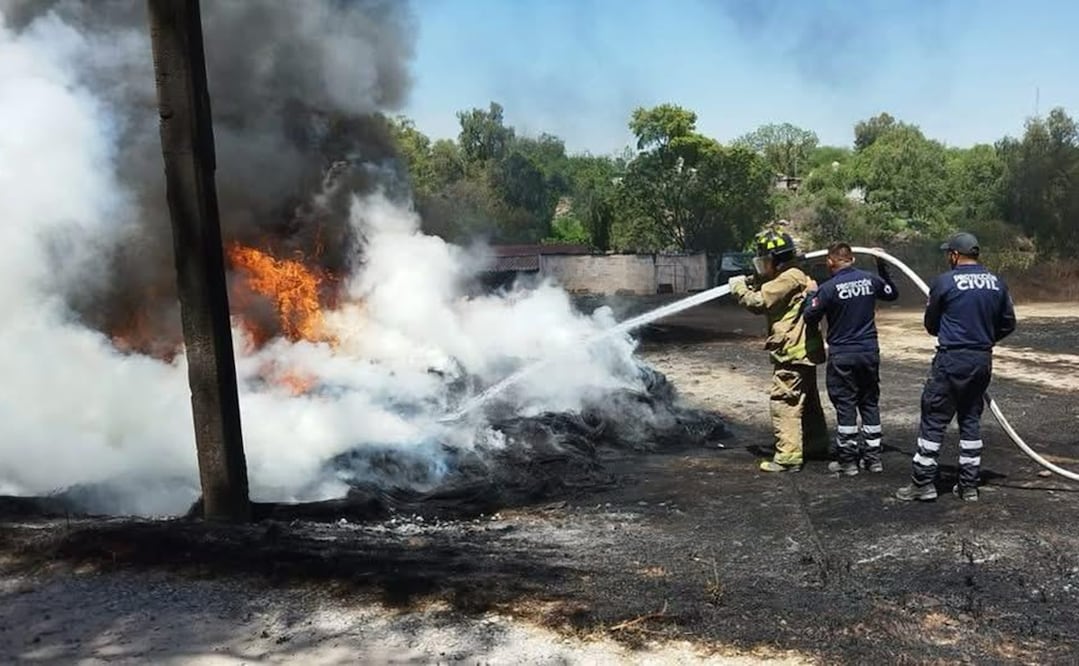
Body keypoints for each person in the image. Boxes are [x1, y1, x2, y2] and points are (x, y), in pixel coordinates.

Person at [896, 232, 1016, 502]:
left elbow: (931, 325)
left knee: (934, 418)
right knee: (971, 419)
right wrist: (983, 339)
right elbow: (1008, 323)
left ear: (954, 255)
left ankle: (923, 484)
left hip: (952, 360)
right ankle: (969, 486)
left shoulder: (945, 282)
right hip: (981, 359)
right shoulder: (997, 283)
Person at [729, 230, 829, 472]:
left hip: (791, 351)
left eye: (766, 259)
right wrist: (754, 280)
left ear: (775, 259)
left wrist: (739, 288)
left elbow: (759, 302)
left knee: (784, 401)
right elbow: (769, 288)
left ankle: (787, 457)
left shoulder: (789, 278)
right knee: (807, 401)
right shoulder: (792, 275)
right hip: (801, 350)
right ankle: (815, 445)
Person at [803, 243, 899, 476]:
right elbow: (892, 293)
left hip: (843, 355)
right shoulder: (869, 280)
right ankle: (873, 458)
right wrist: (881, 263)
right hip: (868, 352)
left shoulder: (828, 288)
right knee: (869, 402)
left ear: (830, 261)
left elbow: (809, 317)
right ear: (852, 260)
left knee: (845, 404)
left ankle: (847, 461)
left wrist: (810, 295)